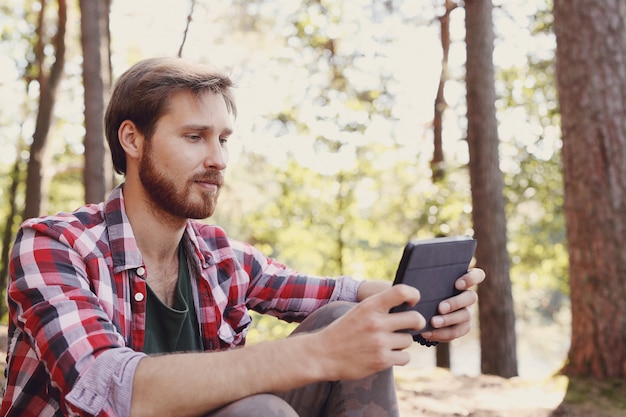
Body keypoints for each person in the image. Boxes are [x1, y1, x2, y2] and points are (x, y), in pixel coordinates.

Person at [0, 57, 485, 417]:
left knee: (345, 317)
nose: (218, 159)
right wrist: (316, 352)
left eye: (223, 139)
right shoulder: (53, 244)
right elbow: (111, 388)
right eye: (195, 137)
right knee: (262, 413)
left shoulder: (218, 256)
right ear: (132, 140)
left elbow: (336, 293)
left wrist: (418, 305)